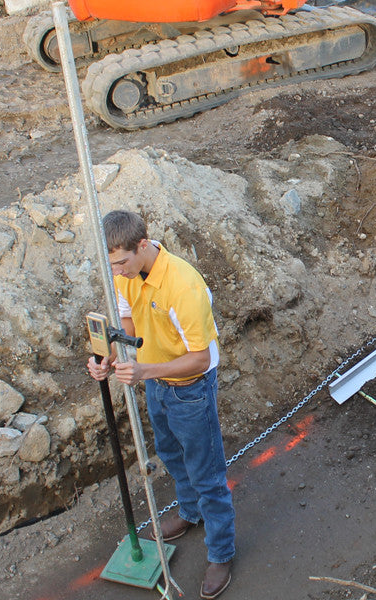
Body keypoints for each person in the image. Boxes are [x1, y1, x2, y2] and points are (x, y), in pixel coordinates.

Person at [86, 210, 235, 599]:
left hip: (190, 388)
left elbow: (201, 359)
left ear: (143, 245)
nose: (116, 271)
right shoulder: (127, 275)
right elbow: (129, 327)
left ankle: (221, 552)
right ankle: (190, 513)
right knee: (169, 452)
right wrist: (109, 358)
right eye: (111, 263)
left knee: (207, 473)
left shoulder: (183, 285)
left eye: (121, 262)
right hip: (156, 382)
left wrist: (145, 370)